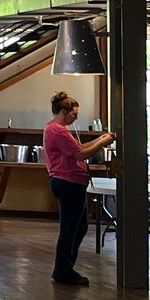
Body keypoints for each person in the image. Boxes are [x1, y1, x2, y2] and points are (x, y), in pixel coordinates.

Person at [43, 90, 113, 286]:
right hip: (69, 183)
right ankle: (63, 270)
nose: (76, 117)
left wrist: (100, 139)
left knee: (79, 227)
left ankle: (66, 268)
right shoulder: (57, 130)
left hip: (69, 182)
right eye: (74, 113)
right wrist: (103, 142)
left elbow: (79, 148)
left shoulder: (55, 129)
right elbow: (81, 156)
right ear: (63, 111)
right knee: (70, 229)